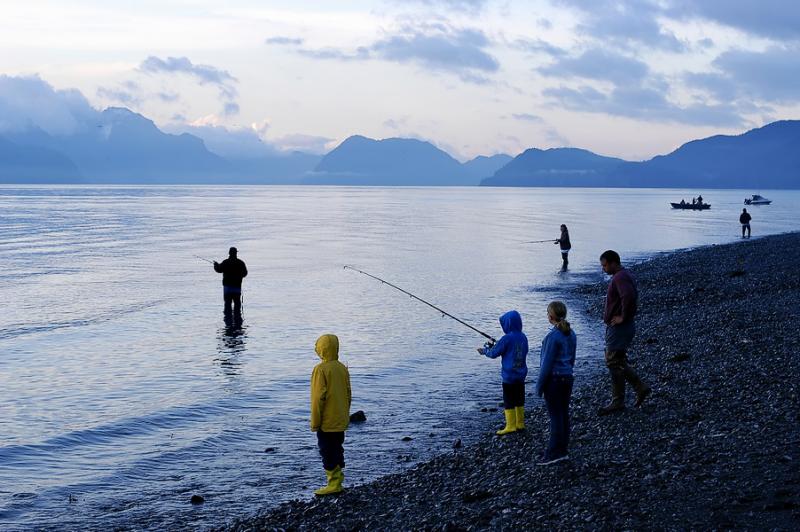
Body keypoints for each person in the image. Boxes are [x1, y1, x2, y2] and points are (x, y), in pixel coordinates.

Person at [598, 250, 651, 415]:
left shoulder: (620, 277)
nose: (603, 269)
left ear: (614, 262)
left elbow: (628, 296)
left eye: (605, 265)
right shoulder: (623, 275)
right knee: (617, 360)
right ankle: (639, 388)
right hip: (621, 327)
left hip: (620, 328)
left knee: (613, 361)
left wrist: (623, 317)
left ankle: (619, 400)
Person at [535, 301, 577, 465]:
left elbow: (546, 364)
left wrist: (539, 386)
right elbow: (572, 358)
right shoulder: (571, 333)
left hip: (554, 381)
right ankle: (563, 449)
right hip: (567, 378)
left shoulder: (552, 337)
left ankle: (553, 453)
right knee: (563, 414)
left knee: (555, 417)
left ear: (550, 316)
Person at [310, 334, 352, 496]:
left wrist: (315, 422)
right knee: (337, 448)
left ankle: (333, 483)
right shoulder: (342, 367)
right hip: (340, 419)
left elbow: (317, 399)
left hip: (327, 421)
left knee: (327, 450)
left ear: (321, 350)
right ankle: (338, 479)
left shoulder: (320, 370)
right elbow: (348, 393)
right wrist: (345, 414)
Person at [477, 310, 529, 435]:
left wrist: (485, 351)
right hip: (521, 374)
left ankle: (511, 425)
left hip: (509, 376)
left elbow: (494, 353)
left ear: (508, 324)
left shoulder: (506, 338)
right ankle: (520, 424)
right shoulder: (523, 337)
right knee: (519, 398)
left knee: (509, 399)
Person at [213, 247, 248, 316]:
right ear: (236, 253)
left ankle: (228, 323)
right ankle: (238, 322)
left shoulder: (226, 262)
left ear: (229, 253)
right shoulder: (240, 262)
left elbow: (219, 270)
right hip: (237, 287)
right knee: (237, 305)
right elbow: (245, 273)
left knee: (227, 305)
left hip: (227, 288)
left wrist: (215, 265)